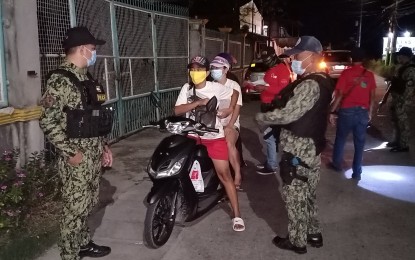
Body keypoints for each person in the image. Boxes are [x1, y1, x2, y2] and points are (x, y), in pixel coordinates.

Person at [39, 26, 113, 260]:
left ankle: (82, 243)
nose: (94, 53)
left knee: (87, 204)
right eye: (92, 49)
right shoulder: (60, 80)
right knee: (74, 210)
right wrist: (71, 153)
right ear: (82, 49)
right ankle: (69, 255)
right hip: (77, 158)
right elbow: (48, 122)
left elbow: (92, 117)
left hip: (92, 154)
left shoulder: (85, 77)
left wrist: (103, 147)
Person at [256, 36, 334, 254]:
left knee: (295, 196)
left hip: (299, 148)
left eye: (298, 55)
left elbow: (289, 114)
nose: (294, 60)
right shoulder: (324, 80)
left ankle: (297, 241)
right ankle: (313, 233)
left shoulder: (310, 84)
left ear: (310, 56)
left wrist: (264, 117)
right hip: (313, 145)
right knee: (308, 193)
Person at [174, 55, 245, 231]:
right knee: (179, 168)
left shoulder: (216, 87)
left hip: (213, 136)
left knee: (224, 175)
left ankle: (237, 215)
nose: (195, 73)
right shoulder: (186, 88)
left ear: (206, 72)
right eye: (192, 69)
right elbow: (177, 110)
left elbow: (234, 94)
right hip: (191, 135)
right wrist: (198, 103)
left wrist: (228, 109)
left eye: (199, 69)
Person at [327, 47, 376, 181]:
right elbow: (372, 97)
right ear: (364, 60)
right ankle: (357, 173)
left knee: (341, 138)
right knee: (360, 143)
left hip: (347, 111)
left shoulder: (346, 74)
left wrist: (332, 111)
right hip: (362, 112)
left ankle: (336, 164)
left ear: (351, 59)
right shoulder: (370, 75)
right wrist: (370, 113)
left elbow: (339, 95)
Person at [253, 46, 291, 175]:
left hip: (274, 107)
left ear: (274, 56)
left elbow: (283, 90)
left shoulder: (282, 69)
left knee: (270, 137)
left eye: (267, 59)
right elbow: (270, 85)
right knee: (270, 136)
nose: (265, 62)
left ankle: (272, 165)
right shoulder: (271, 69)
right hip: (266, 106)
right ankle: (270, 161)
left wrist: (264, 89)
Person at [209, 55, 243, 190]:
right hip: (213, 124)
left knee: (228, 144)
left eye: (217, 68)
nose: (213, 70)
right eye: (212, 68)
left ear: (225, 69)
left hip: (230, 123)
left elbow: (237, 108)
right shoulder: (210, 85)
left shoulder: (233, 85)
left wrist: (230, 126)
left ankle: (238, 175)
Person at [379, 47, 415, 152]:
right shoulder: (400, 67)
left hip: (404, 101)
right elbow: (394, 82)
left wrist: (404, 101)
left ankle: (404, 145)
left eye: (401, 56)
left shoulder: (411, 70)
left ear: (406, 57)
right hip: (396, 99)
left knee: (403, 123)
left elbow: (409, 88)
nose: (399, 57)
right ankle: (396, 141)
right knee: (395, 121)